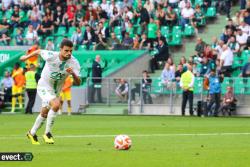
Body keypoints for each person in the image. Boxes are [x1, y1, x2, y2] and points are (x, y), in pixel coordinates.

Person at [20, 39, 81, 145]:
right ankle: (47, 133)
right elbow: (38, 51)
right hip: (44, 85)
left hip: (56, 90)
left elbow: (78, 82)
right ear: (60, 49)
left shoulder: (74, 62)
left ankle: (32, 132)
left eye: (71, 51)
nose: (69, 53)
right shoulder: (51, 55)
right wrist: (26, 57)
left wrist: (73, 74)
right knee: (56, 104)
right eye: (66, 50)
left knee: (44, 113)